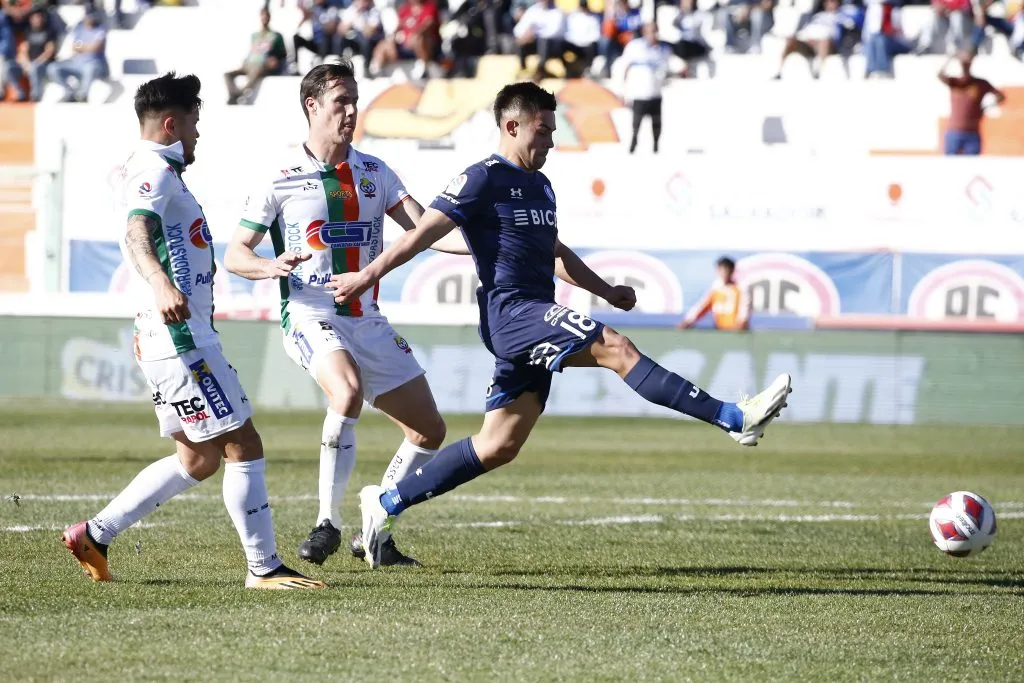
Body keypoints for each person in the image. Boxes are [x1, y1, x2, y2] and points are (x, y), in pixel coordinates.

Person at [327, 82, 793, 568]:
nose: (550, 141)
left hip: (533, 313)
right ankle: (733, 418)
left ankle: (386, 503)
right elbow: (420, 235)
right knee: (617, 349)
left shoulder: (541, 185)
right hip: (512, 314)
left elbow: (555, 253)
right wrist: (367, 274)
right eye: (543, 131)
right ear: (512, 126)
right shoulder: (481, 178)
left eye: (552, 131)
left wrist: (607, 290)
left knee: (499, 444)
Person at [61, 73, 323, 590]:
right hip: (180, 340)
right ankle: (264, 568)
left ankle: (96, 533)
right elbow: (138, 230)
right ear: (170, 124)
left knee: (198, 457)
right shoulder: (154, 171)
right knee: (242, 443)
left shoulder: (148, 168)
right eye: (195, 124)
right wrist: (160, 282)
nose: (198, 134)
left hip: (165, 338)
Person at [224, 62, 468, 568]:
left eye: (355, 100)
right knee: (348, 390)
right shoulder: (281, 180)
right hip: (311, 315)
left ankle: (377, 526)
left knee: (429, 431)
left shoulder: (376, 172)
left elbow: (426, 232)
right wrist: (269, 267)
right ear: (311, 106)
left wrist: (495, 247)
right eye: (342, 102)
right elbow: (235, 254)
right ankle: (327, 523)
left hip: (368, 319)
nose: (352, 111)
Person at [939, 50, 1005, 155]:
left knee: (972, 166)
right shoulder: (955, 82)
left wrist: (987, 107)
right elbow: (940, 75)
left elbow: (1001, 96)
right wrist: (951, 58)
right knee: (950, 166)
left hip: (972, 132)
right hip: (954, 131)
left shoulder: (980, 83)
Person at [621, 22, 670, 154]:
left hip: (655, 92)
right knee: (636, 124)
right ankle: (633, 146)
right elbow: (625, 68)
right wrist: (624, 91)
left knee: (657, 123)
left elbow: (666, 68)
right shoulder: (635, 47)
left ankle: (656, 148)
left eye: (655, 31)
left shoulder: (663, 49)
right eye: (650, 31)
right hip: (639, 92)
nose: (653, 34)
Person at [225, 6, 287, 105]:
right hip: (249, 63)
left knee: (257, 70)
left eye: (266, 16)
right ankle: (234, 93)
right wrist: (246, 60)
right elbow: (252, 51)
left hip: (262, 64)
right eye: (262, 16)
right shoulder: (255, 35)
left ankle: (237, 95)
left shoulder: (276, 36)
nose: (264, 19)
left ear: (269, 18)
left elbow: (283, 53)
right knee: (227, 74)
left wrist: (276, 59)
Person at [47, 10, 109, 102]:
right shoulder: (79, 29)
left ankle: (83, 95)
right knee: (53, 68)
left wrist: (82, 47)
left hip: (94, 63)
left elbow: (96, 47)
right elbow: (75, 47)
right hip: (77, 62)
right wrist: (88, 47)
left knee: (90, 68)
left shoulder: (100, 29)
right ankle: (69, 93)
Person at [677, 256, 750, 331]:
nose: (724, 273)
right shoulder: (716, 289)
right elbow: (703, 306)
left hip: (735, 330)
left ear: (732, 271)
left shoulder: (739, 288)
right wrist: (689, 320)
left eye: (727, 270)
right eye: (721, 270)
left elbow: (744, 308)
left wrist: (742, 322)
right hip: (720, 329)